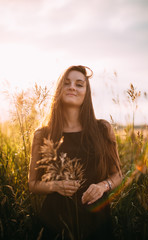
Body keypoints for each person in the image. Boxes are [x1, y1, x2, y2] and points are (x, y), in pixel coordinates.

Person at [28, 65, 122, 240]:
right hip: (56, 222)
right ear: (59, 90)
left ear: (87, 93)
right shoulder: (42, 135)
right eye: (67, 83)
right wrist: (56, 186)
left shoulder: (103, 129)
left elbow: (117, 175)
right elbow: (32, 184)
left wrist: (102, 186)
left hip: (97, 220)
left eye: (79, 84)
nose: (72, 87)